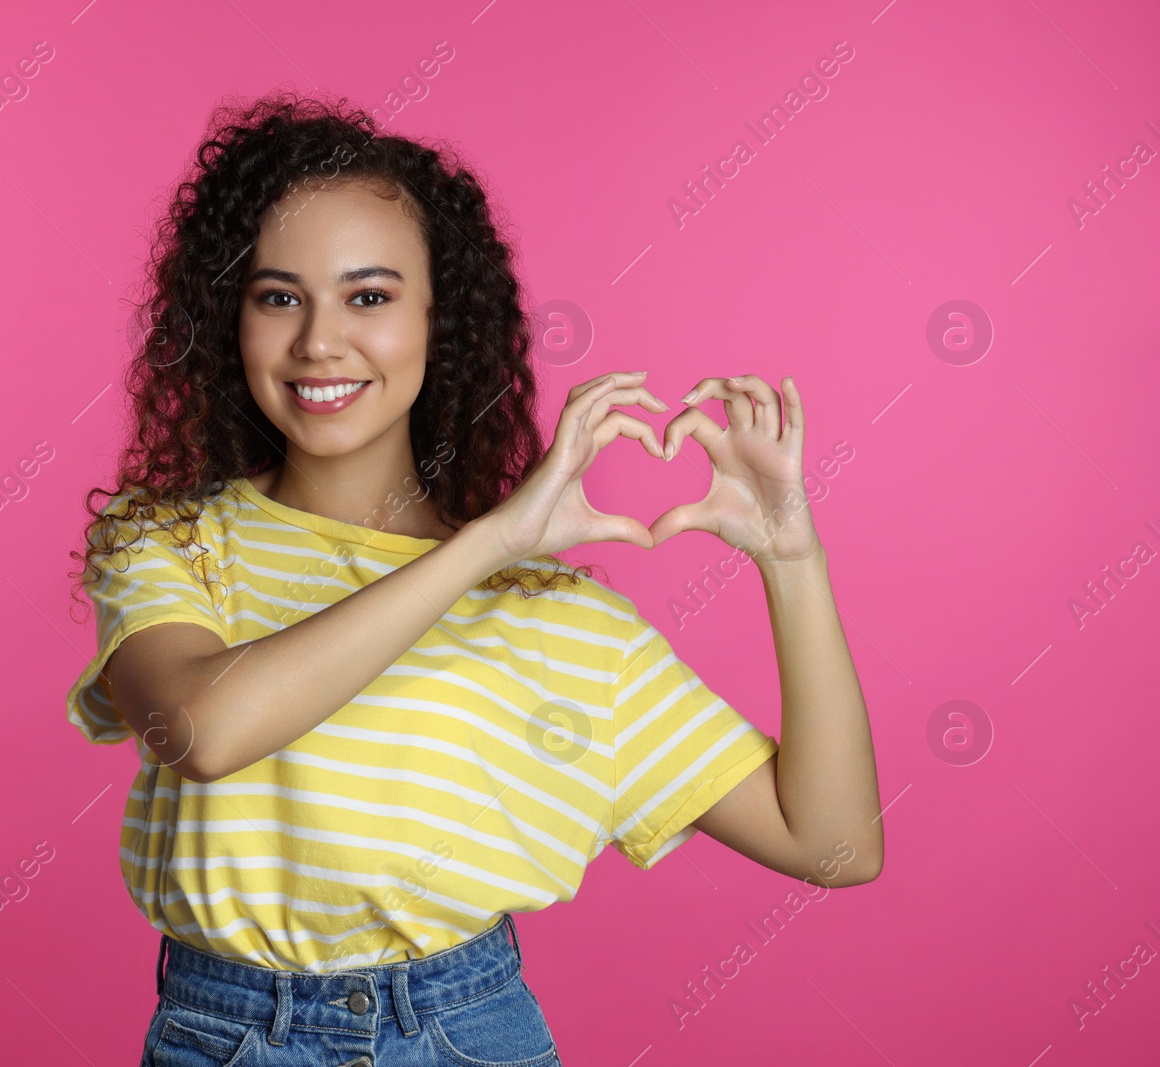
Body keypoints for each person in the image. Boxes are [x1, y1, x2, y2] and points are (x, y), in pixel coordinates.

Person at [65, 90, 882, 1067]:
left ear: (438, 320)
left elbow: (832, 843)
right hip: (224, 1030)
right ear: (227, 317)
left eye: (369, 296)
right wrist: (486, 543)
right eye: (278, 295)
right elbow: (198, 729)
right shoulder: (165, 539)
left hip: (460, 1033)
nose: (320, 340)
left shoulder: (557, 617)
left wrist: (792, 557)